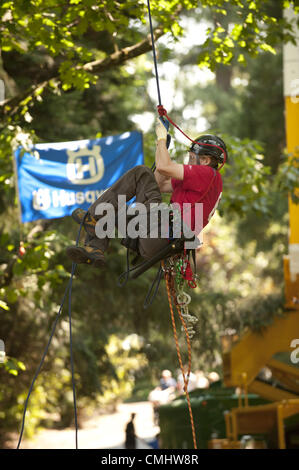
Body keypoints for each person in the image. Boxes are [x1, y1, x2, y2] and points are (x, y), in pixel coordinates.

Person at [66, 118, 226, 267]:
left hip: (163, 234)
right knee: (110, 212)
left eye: (192, 158)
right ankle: (95, 249)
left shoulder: (208, 175)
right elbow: (157, 184)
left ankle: (93, 216)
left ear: (205, 160)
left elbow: (157, 171)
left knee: (141, 172)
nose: (188, 162)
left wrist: (162, 139)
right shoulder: (199, 181)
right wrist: (161, 149)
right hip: (155, 240)